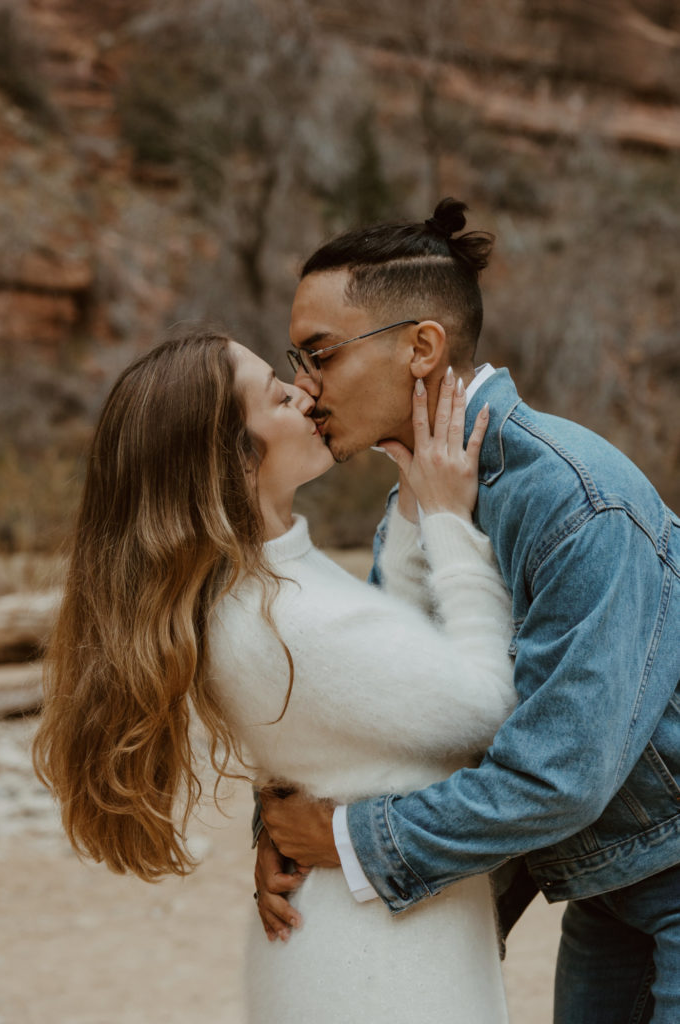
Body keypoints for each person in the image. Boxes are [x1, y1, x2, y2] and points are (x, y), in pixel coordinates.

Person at [256, 198, 680, 1024]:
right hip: (604, 880)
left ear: (422, 347)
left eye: (320, 355)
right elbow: (397, 709)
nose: (304, 390)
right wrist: (282, 828)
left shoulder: (574, 502)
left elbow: (559, 773)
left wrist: (344, 839)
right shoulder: (418, 507)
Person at [33, 329, 520, 1023]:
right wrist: (449, 522)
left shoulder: (260, 585)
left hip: (361, 943)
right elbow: (486, 705)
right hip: (377, 972)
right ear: (232, 460)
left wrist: (415, 506)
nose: (304, 392)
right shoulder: (289, 621)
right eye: (276, 394)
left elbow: (395, 663)